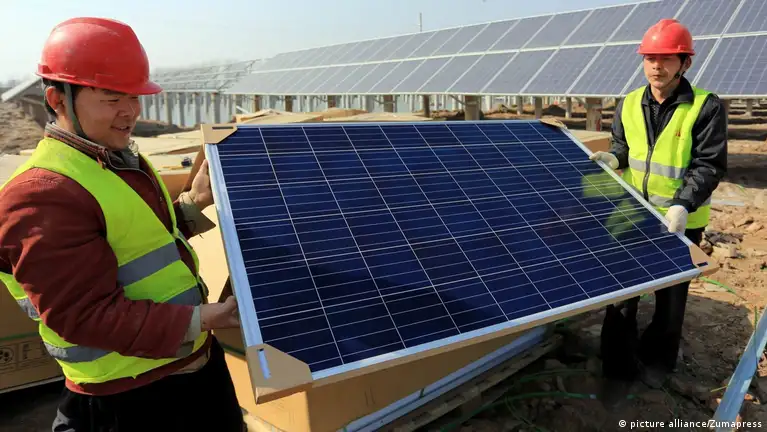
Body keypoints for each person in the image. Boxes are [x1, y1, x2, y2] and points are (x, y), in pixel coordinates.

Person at [0, 17, 245, 431]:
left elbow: (140, 244)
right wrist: (205, 318)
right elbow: (83, 315)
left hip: (192, 369)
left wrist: (193, 203)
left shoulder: (114, 159)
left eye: (134, 97)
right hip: (127, 399)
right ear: (58, 99)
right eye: (112, 99)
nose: (129, 112)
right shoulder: (42, 194)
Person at [590, 18, 728, 386]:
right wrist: (613, 158)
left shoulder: (705, 106)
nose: (656, 66)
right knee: (621, 294)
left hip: (681, 221)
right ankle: (618, 367)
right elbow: (623, 146)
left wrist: (682, 204)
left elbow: (709, 164)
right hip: (633, 214)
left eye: (667, 58)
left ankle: (657, 363)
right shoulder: (629, 103)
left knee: (671, 298)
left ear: (685, 63)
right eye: (650, 58)